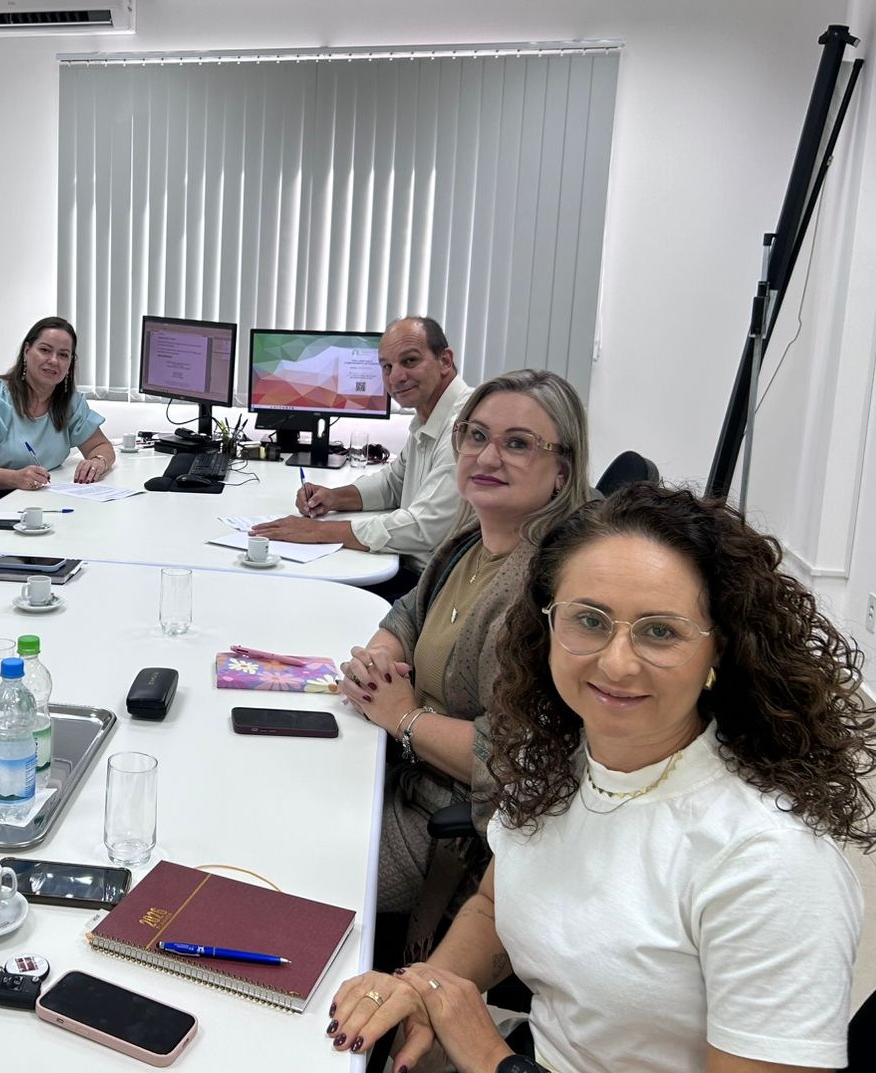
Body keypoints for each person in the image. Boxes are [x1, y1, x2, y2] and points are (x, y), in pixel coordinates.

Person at [327, 484, 874, 1072]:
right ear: (547, 624)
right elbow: (494, 905)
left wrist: (487, 1055)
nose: (616, 663)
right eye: (589, 620)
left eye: (660, 631)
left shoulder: (771, 863)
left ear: (719, 648)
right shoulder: (560, 756)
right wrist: (428, 986)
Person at [337, 369, 593, 963]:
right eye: (476, 435)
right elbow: (410, 610)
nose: (487, 455)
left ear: (562, 470)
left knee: (294, 857)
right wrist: (380, 658)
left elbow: (516, 758)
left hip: (451, 829)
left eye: (518, 443)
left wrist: (403, 718)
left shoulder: (545, 593)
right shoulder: (474, 540)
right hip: (399, 772)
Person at [252, 316, 472, 600]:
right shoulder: (429, 416)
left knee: (302, 593)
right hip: (415, 572)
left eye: (409, 361)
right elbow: (393, 483)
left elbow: (423, 527)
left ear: (445, 361)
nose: (395, 377)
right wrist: (334, 497)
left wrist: (318, 531)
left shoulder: (466, 428)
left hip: (435, 590)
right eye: (387, 367)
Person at [0, 316, 113, 512]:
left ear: (70, 363)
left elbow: (101, 446)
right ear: (26, 351)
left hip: (37, 503)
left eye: (63, 354)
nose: (53, 360)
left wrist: (97, 462)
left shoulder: (69, 403)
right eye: (45, 350)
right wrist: (15, 478)